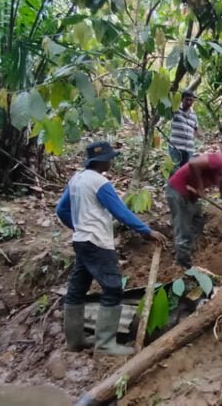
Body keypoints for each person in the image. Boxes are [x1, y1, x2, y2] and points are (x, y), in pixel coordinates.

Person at [56, 142, 167, 355]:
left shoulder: (76, 179)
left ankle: (75, 340)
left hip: (81, 240)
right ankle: (105, 344)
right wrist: (146, 231)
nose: (111, 161)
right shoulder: (100, 182)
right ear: (100, 161)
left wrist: (78, 226)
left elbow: (61, 210)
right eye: (109, 158)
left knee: (78, 288)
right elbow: (120, 211)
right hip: (97, 242)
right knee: (113, 287)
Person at [166, 148, 222, 270]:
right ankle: (183, 265)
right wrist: (200, 188)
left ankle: (188, 248)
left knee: (198, 220)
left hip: (190, 196)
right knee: (183, 227)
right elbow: (193, 163)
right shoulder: (220, 160)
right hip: (178, 191)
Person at [169, 89, 199, 170]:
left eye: (191, 100)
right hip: (176, 147)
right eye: (186, 100)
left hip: (189, 148)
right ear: (182, 99)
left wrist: (193, 139)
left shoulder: (193, 114)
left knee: (186, 172)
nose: (189, 102)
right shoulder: (175, 110)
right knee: (174, 170)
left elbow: (196, 128)